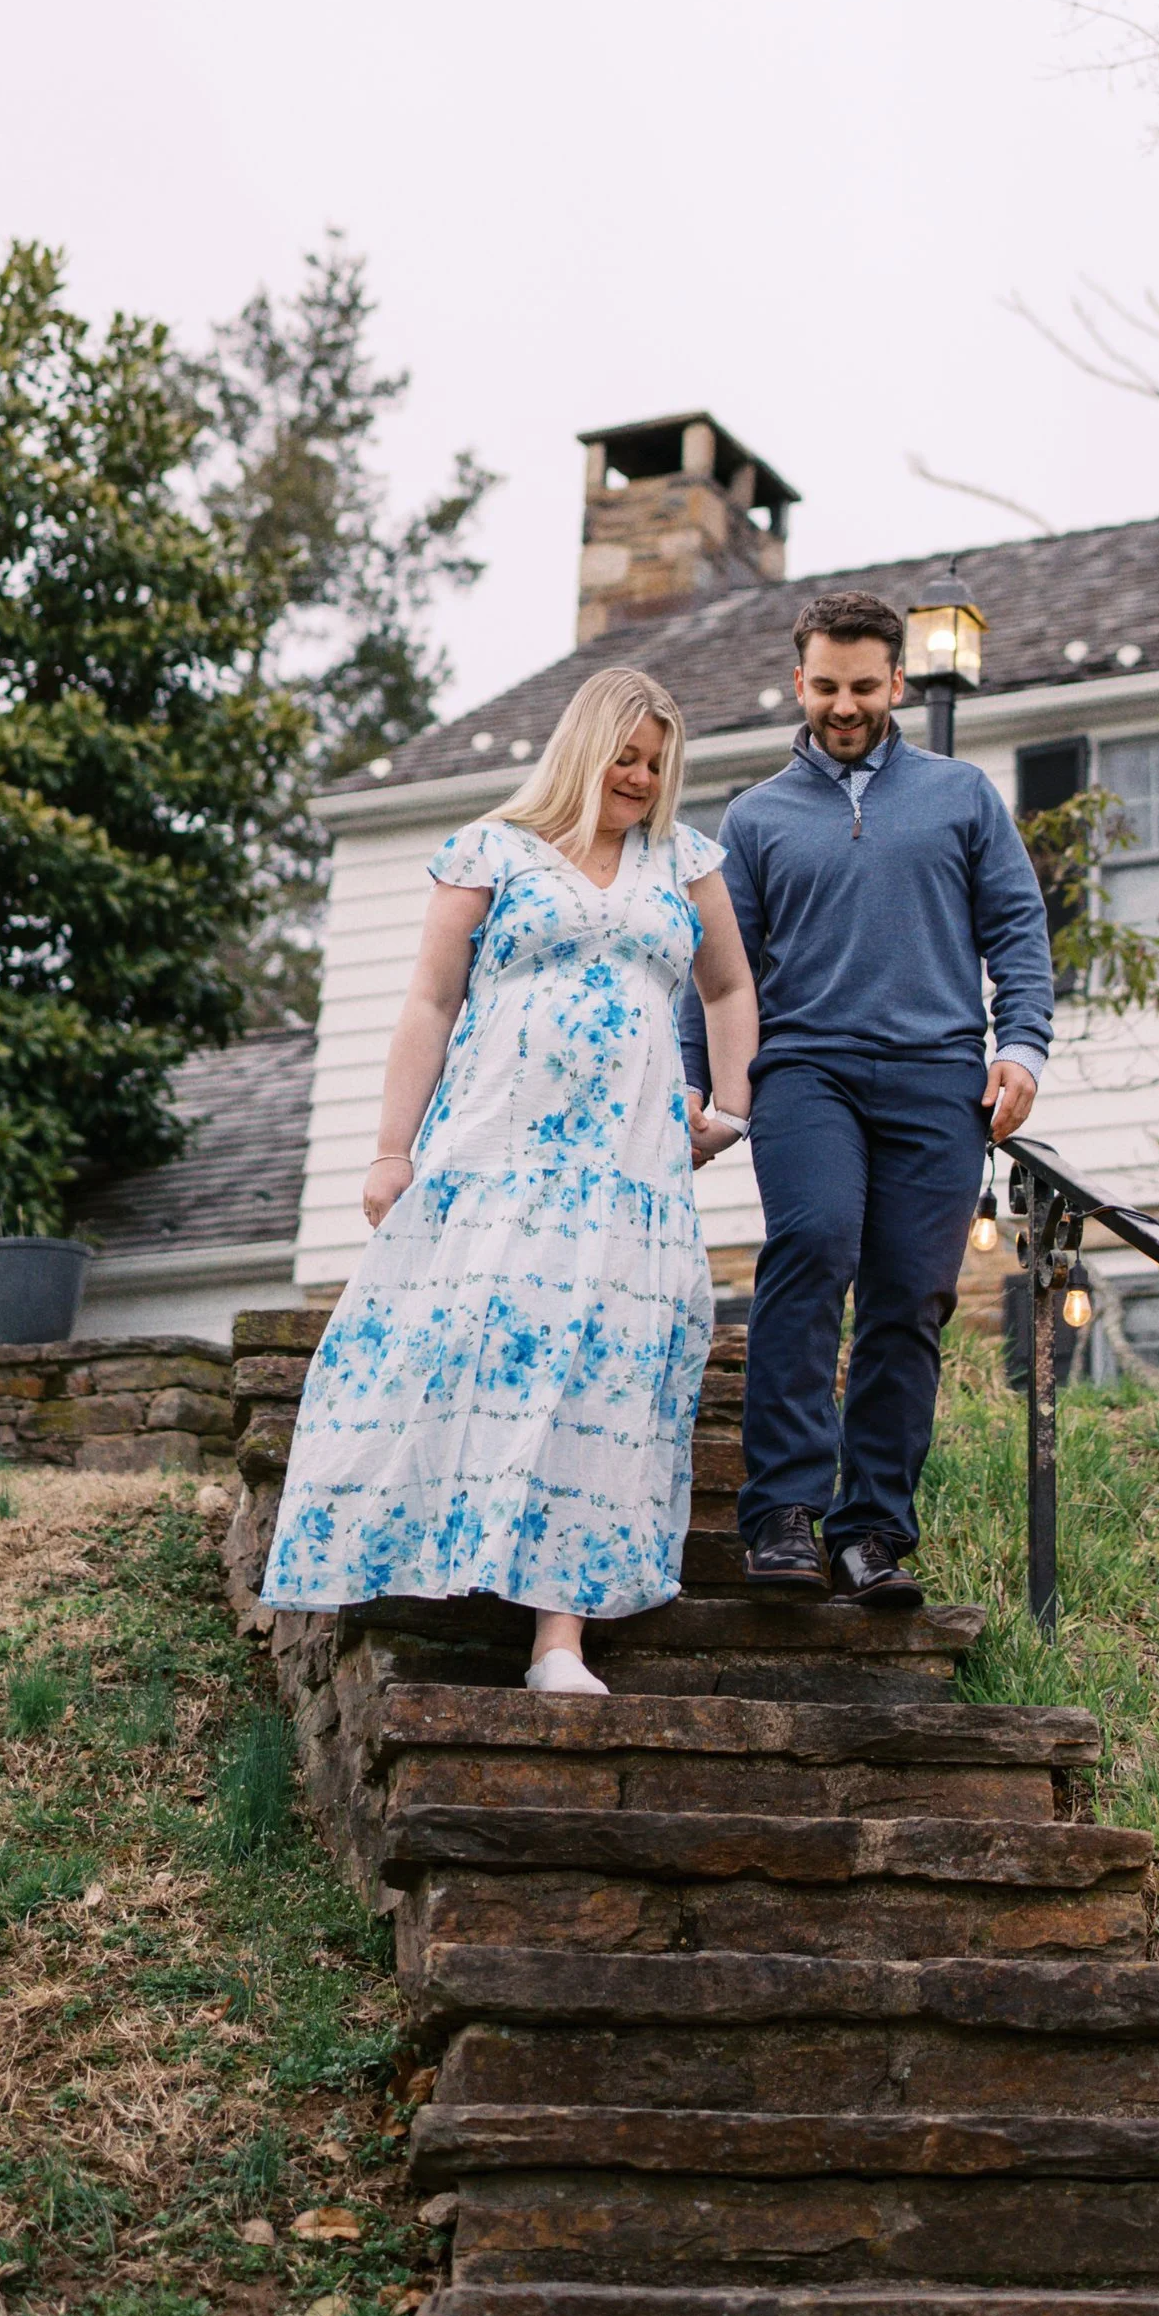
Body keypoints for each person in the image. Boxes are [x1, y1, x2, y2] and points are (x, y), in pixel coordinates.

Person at [260, 668, 758, 1695]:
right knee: (464, 1339)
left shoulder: (684, 860)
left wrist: (732, 1106)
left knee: (599, 1373)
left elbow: (730, 983)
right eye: (624, 757)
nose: (639, 778)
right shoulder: (493, 850)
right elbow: (430, 1002)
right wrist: (390, 1150)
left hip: (628, 1174)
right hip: (497, 1150)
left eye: (657, 764)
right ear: (583, 750)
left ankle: (558, 1642)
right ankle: (405, 1559)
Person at [692, 589, 1055, 1607]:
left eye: (862, 686)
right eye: (824, 686)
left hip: (938, 1080)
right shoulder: (756, 818)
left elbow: (1018, 930)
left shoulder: (961, 794)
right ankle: (779, 1516)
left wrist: (1020, 1046)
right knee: (811, 1248)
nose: (842, 705)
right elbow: (720, 973)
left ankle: (869, 1534)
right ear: (798, 683)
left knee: (909, 1299)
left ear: (896, 683)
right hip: (805, 1071)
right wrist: (705, 1090)